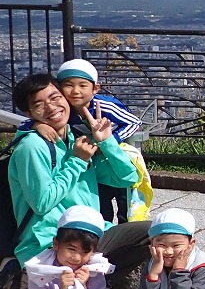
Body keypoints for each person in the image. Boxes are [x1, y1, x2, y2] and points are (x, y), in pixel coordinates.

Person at [9, 73, 149, 289]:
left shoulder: (76, 139)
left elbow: (128, 177)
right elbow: (42, 202)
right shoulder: (32, 146)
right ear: (29, 113)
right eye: (39, 104)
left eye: (54, 98)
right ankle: (12, 271)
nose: (51, 107)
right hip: (52, 242)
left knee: (158, 233)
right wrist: (77, 161)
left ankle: (99, 282)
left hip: (91, 233)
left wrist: (106, 141)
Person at [54, 59, 148, 224]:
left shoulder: (105, 106)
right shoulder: (61, 109)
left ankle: (124, 239)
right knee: (99, 207)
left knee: (124, 206)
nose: (75, 91)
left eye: (83, 86)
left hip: (115, 160)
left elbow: (134, 122)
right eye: (68, 85)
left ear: (95, 88)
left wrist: (110, 139)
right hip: (92, 166)